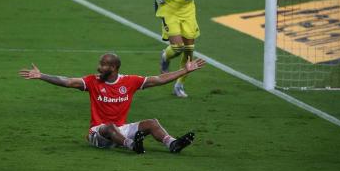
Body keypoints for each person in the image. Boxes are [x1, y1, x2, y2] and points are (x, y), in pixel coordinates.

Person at [19, 53, 206, 154]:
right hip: (97, 133)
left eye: (103, 65)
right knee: (108, 127)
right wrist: (41, 75)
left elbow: (158, 79)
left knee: (152, 123)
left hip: (118, 129)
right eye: (100, 64)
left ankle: (172, 144)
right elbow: (67, 81)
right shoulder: (92, 81)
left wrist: (184, 70)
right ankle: (132, 145)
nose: (99, 68)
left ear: (114, 68)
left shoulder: (129, 81)